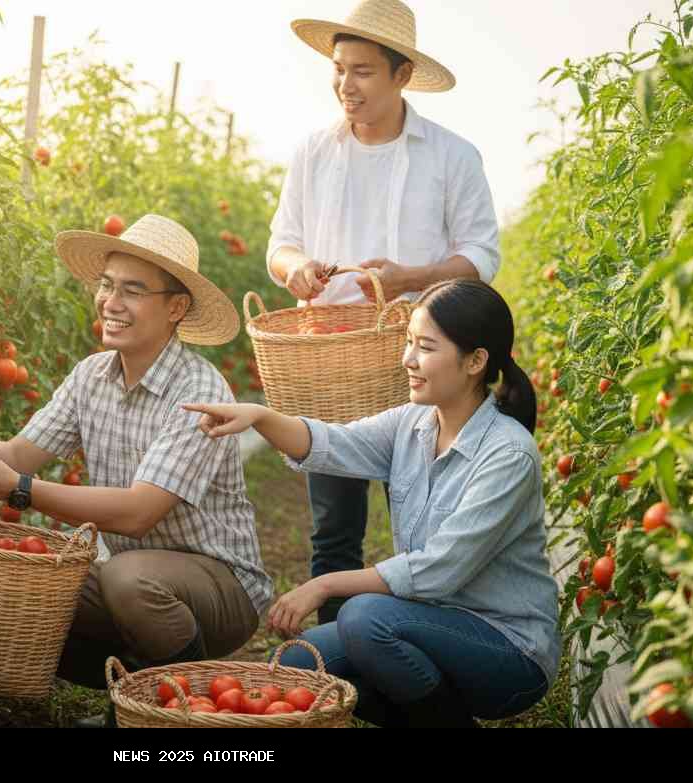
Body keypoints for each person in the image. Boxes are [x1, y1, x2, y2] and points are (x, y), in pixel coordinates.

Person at [0, 214, 272, 728]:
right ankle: (137, 687)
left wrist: (19, 490)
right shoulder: (92, 375)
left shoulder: (199, 392)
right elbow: (18, 454)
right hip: (133, 580)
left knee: (128, 579)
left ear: (176, 307)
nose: (111, 301)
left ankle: (184, 710)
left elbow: (138, 514)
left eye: (133, 290)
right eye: (107, 285)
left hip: (221, 585)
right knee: (29, 590)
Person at [184, 280, 558, 727]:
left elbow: (440, 569)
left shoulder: (507, 454)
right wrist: (260, 417)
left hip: (509, 650)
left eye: (425, 347)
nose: (408, 359)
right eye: (408, 342)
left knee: (365, 618)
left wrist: (325, 585)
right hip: (429, 623)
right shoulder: (412, 424)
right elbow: (332, 443)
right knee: (301, 668)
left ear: (475, 361)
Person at [266, 0, 501, 623]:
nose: (346, 84)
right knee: (333, 529)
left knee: (424, 528)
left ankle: (414, 646)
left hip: (419, 359)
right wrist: (296, 268)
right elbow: (280, 244)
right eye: (339, 69)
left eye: (363, 71)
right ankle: (333, 657)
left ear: (403, 75)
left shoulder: (451, 156)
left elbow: (482, 255)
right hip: (332, 359)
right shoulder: (313, 152)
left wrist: (412, 278)